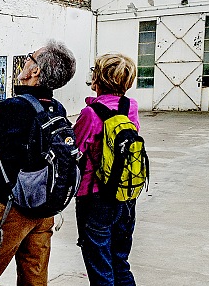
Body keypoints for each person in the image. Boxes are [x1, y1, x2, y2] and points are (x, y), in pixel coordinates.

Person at [0, 40, 76, 286]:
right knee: (34, 278)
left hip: (8, 207)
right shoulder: (57, 108)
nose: (25, 62)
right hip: (44, 209)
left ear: (35, 71)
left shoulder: (13, 107)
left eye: (30, 58)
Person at [73, 53, 139, 286]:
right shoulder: (131, 107)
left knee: (101, 268)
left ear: (98, 79)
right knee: (120, 263)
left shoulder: (90, 114)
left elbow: (75, 150)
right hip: (126, 194)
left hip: (95, 197)